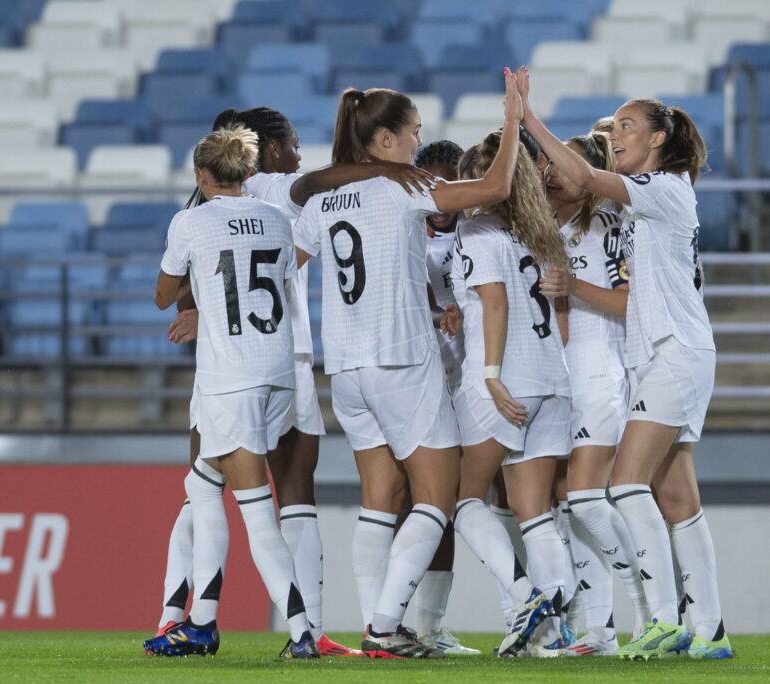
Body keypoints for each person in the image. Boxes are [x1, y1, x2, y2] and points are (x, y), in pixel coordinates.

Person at [154, 106, 433, 658]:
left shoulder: (197, 212)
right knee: (282, 495)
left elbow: (178, 289)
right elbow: (315, 188)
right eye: (295, 144)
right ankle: (292, 627)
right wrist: (384, 169)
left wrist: (203, 308)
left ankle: (196, 619)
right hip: (286, 363)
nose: (301, 154)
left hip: (228, 370)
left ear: (203, 172)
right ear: (269, 149)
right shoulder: (281, 203)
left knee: (210, 490)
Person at [294, 69, 528, 658]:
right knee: (436, 498)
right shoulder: (403, 187)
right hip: (400, 359)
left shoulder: (324, 198)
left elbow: (286, 263)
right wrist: (514, 120)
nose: (419, 145)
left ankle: (378, 627)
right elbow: (497, 187)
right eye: (413, 134)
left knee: (380, 496)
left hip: (344, 367)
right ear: (383, 140)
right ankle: (385, 626)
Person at [520, 67, 732, 660]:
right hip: (670, 350)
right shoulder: (653, 200)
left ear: (657, 139)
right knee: (678, 502)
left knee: (625, 483)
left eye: (627, 126)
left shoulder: (661, 187)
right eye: (614, 126)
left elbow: (584, 175)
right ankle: (711, 630)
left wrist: (528, 119)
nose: (616, 134)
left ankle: (664, 619)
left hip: (673, 352)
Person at [144, 126, 317, 659]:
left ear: (201, 175)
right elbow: (281, 281)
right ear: (247, 172)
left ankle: (300, 632)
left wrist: (193, 284)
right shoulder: (276, 219)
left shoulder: (190, 221)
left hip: (230, 378)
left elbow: (162, 295)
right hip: (278, 374)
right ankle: (199, 621)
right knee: (202, 483)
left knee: (253, 508)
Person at [449, 130, 572, 657]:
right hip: (552, 378)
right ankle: (554, 637)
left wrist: (492, 374)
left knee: (462, 499)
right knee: (534, 510)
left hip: (501, 381)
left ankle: (527, 599)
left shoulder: (476, 232)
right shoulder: (541, 234)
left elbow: (494, 303)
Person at [544, 132, 652, 656]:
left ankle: (650, 605)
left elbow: (633, 304)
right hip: (558, 380)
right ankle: (600, 633)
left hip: (599, 372)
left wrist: (574, 289)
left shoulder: (609, 227)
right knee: (570, 507)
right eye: (547, 163)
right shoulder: (546, 230)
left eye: (562, 166)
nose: (550, 171)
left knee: (587, 500)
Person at [407, 139, 480, 655]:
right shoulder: (405, 233)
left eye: (447, 182)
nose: (439, 196)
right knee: (430, 503)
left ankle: (533, 616)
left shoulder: (484, 229)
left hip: (479, 376)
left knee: (494, 499)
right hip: (422, 380)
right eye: (430, 183)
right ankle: (414, 624)